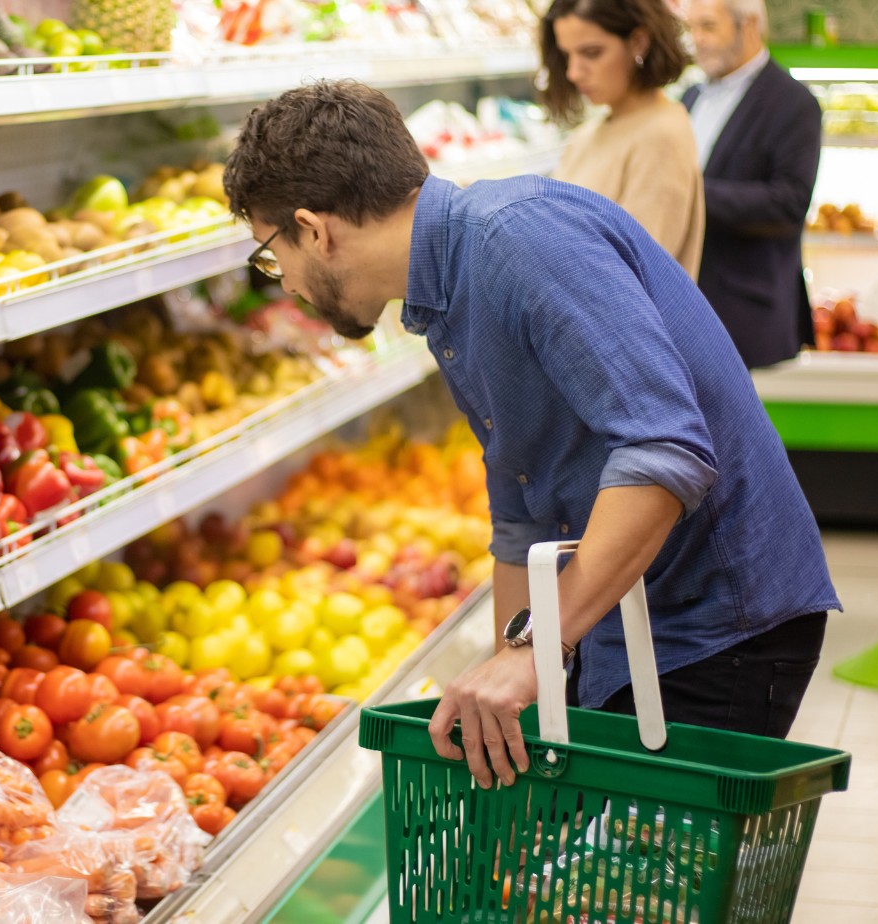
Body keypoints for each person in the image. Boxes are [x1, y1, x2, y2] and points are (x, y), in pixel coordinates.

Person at [222, 81, 838, 789]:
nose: (285, 284)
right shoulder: (443, 294)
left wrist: (539, 652)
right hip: (626, 614)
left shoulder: (518, 240)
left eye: (272, 255)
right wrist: (504, 677)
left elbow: (666, 452)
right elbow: (523, 515)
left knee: (653, 889)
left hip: (715, 622)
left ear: (315, 228)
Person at [683, 0, 822, 369]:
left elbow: (788, 205)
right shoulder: (690, 96)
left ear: (749, 26)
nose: (696, 39)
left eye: (708, 27)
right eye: (691, 28)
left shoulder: (794, 103)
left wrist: (688, 193)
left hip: (747, 317)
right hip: (686, 309)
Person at [542, 0, 704, 279]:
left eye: (591, 53)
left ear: (638, 42)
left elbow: (633, 272)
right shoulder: (589, 133)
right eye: (566, 55)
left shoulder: (661, 135)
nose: (573, 72)